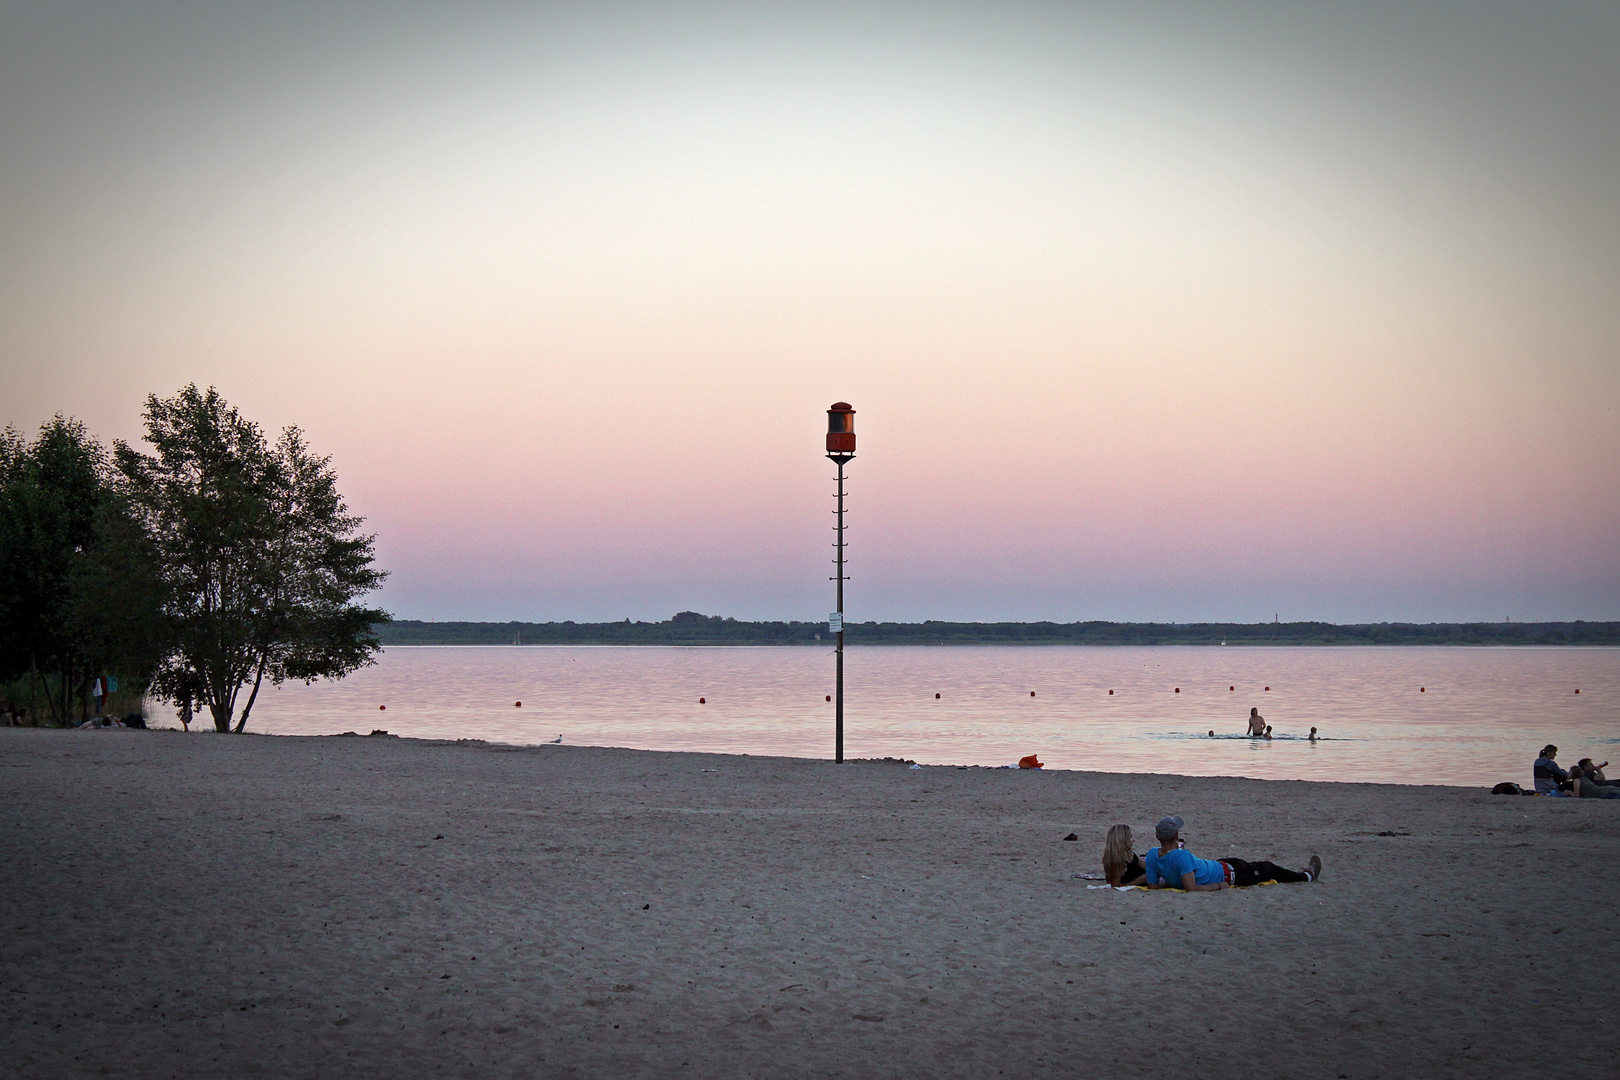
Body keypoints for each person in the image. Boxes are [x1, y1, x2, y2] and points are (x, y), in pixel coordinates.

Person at [1143, 816, 1321, 891]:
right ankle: (1307, 876)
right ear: (1176, 835)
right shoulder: (1181, 856)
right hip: (1230, 875)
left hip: (1221, 864)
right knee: (1268, 868)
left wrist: (1172, 882)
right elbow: (1191, 888)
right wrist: (1219, 886)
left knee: (1255, 865)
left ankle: (1304, 874)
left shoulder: (1152, 855)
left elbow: (1152, 887)